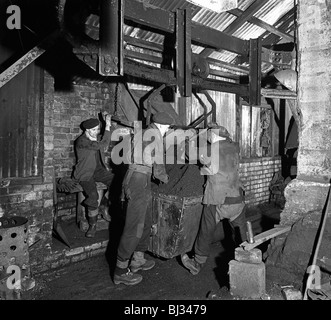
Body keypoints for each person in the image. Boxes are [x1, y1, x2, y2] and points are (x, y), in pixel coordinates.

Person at [113, 111, 173, 286]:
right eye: (167, 128)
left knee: (146, 223)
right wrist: (165, 179)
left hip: (140, 178)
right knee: (134, 227)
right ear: (162, 126)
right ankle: (120, 271)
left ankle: (138, 259)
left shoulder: (144, 133)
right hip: (138, 181)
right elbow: (159, 166)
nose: (167, 131)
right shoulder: (154, 136)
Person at [181, 123, 247, 275]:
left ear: (214, 135)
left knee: (206, 230)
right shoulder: (234, 147)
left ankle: (197, 263)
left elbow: (189, 155)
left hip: (218, 200)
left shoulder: (212, 150)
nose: (208, 137)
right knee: (240, 231)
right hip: (237, 199)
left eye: (210, 134)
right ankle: (247, 259)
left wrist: (189, 139)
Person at [72, 113, 114, 238]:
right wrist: (107, 126)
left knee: (117, 182)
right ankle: (92, 225)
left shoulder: (95, 138)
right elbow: (104, 144)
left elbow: (103, 141)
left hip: (98, 171)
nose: (96, 132)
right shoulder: (82, 141)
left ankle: (104, 206)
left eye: (97, 129)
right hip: (85, 173)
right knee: (93, 195)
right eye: (94, 130)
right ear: (87, 130)